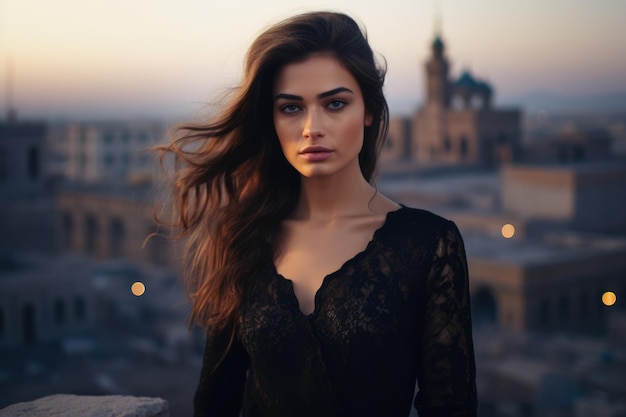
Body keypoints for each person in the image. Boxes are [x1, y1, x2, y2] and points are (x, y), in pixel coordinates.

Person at [159, 11, 477, 417]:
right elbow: (214, 401)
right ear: (271, 119)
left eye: (335, 103)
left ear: (369, 111)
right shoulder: (245, 236)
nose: (312, 127)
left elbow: (450, 407)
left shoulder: (429, 244)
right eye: (291, 108)